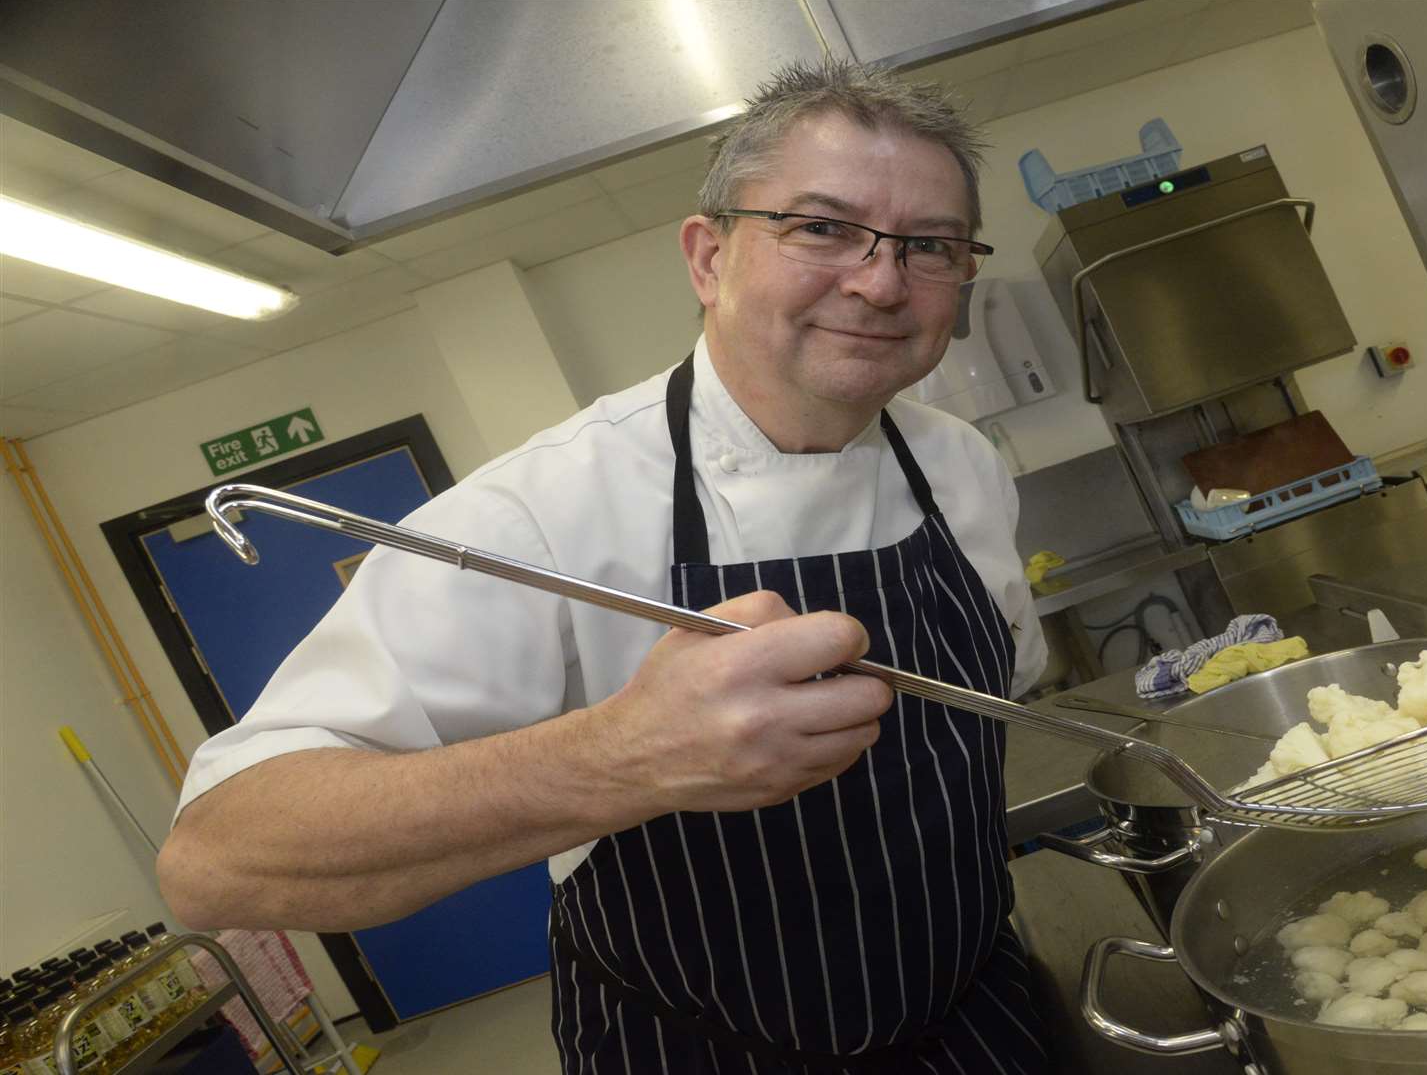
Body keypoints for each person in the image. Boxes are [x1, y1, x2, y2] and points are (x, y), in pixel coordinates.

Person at [158, 59, 1052, 1074]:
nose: (881, 281)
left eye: (929, 247)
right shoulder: (541, 512)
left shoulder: (965, 468)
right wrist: (623, 756)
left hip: (975, 1016)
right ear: (708, 258)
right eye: (821, 227)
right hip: (699, 1050)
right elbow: (216, 859)